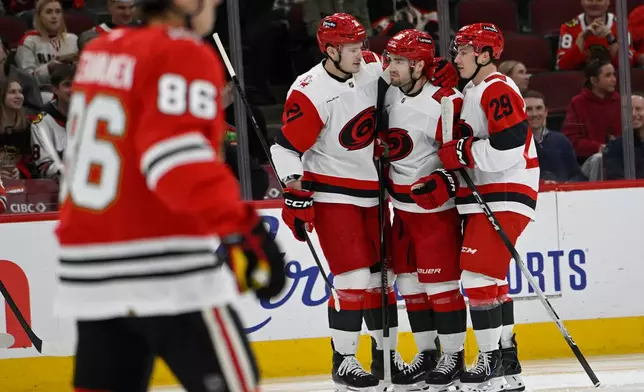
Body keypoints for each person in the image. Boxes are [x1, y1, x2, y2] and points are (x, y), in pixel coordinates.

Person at [53, 0, 287, 391]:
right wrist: (244, 230)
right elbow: (176, 162)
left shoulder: (100, 51)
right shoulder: (180, 53)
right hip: (163, 267)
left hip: (89, 271)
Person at [270, 12, 421, 391]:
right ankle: (345, 362)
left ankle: (385, 360)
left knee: (380, 281)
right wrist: (294, 188)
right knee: (353, 279)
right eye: (352, 47)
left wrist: (433, 74)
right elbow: (285, 148)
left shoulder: (371, 67)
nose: (361, 53)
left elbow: (405, 78)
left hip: (375, 193)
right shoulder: (310, 90)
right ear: (331, 49)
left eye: (361, 45)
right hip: (334, 194)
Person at [414, 22, 539, 392]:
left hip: (506, 191)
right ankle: (505, 365)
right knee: (493, 281)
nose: (457, 56)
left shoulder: (496, 88)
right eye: (457, 50)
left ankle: (486, 362)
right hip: (488, 194)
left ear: (485, 54)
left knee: (477, 279)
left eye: (465, 50)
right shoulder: (472, 90)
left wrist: (463, 152)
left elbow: (511, 144)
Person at [382, 29, 467, 390]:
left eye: (399, 61)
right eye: (390, 59)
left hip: (435, 212)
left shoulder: (446, 101)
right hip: (400, 210)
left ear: (419, 64)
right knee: (410, 285)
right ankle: (428, 354)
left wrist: (449, 180)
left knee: (441, 287)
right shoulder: (387, 94)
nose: (391, 67)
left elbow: (463, 158)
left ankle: (453, 356)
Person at [15, 0, 78, 86]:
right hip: (42, 94)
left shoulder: (73, 39)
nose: (54, 16)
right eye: (49, 12)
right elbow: (27, 80)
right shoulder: (29, 41)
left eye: (58, 12)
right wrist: (49, 68)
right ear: (39, 16)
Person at [31, 64, 73, 179]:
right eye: (67, 85)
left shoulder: (89, 117)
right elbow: (44, 166)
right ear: (55, 89)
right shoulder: (41, 121)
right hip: (54, 188)